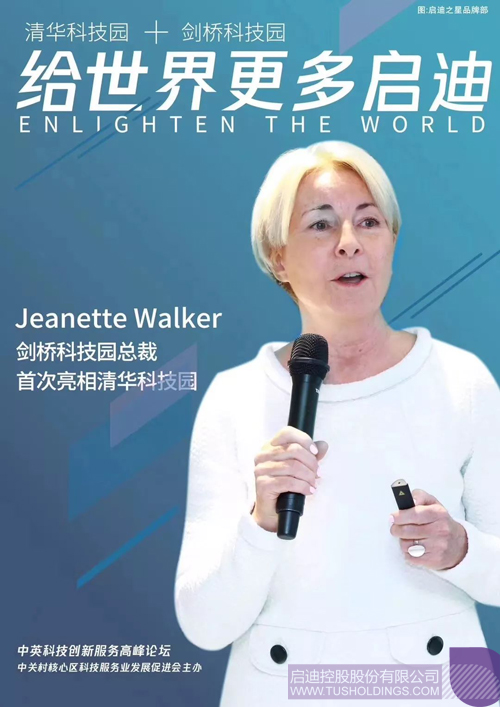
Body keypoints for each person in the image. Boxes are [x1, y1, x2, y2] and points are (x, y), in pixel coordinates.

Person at [173, 141, 500, 706]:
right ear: (278, 257)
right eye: (321, 225)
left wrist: (459, 547)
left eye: (369, 222)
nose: (350, 242)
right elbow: (204, 625)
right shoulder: (236, 398)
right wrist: (260, 522)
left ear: (391, 243)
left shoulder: (460, 379)